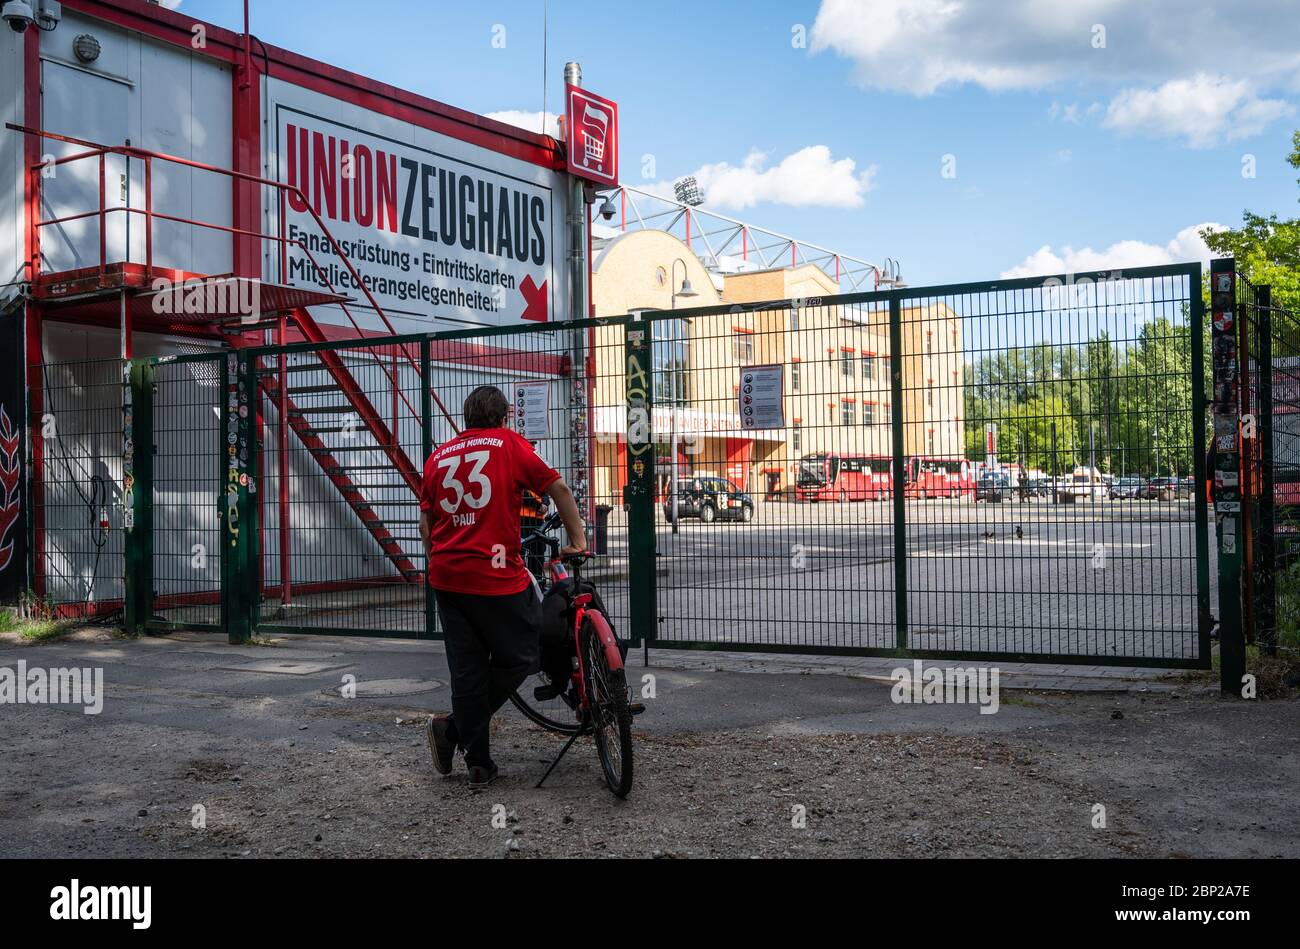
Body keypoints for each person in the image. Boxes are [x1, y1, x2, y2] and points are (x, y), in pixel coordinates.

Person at [419, 385, 587, 788]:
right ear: (504, 416)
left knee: (468, 669)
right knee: (522, 656)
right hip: (496, 577)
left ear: (466, 417)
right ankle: (455, 729)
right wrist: (578, 539)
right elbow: (558, 488)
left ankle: (478, 764)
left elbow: (426, 521)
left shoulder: (439, 456)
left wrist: (439, 558)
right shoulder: (508, 444)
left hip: (448, 576)